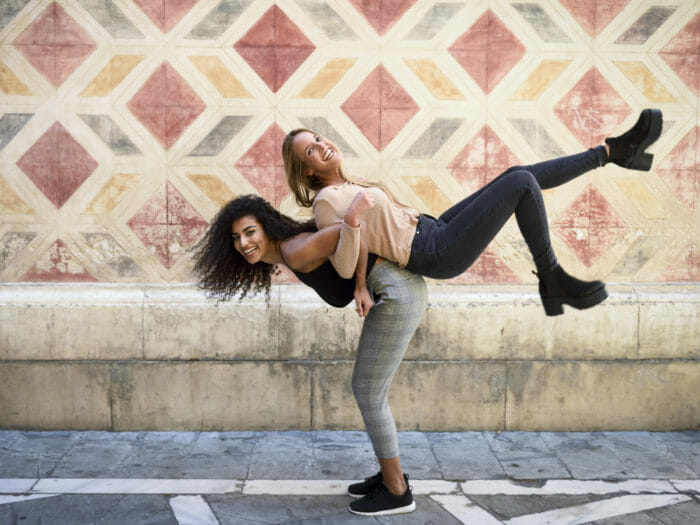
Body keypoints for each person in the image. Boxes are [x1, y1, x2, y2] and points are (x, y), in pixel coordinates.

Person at [282, 109, 663, 316]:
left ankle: (613, 153)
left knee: (517, 174)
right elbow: (344, 260)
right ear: (308, 171)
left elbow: (362, 241)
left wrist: (363, 280)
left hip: (432, 229)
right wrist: (353, 236)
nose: (321, 146)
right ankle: (553, 279)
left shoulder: (350, 184)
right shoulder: (327, 202)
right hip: (433, 251)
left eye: (317, 139)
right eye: (310, 152)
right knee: (521, 185)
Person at [191, 195, 425, 516]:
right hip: (395, 292)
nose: (243, 243)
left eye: (249, 232)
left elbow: (354, 229)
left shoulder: (294, 250)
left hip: (398, 294)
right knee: (369, 390)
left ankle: (397, 490)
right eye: (236, 238)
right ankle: (389, 476)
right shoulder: (289, 252)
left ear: (266, 228)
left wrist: (360, 285)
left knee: (368, 392)